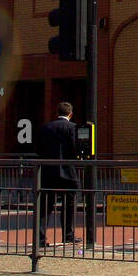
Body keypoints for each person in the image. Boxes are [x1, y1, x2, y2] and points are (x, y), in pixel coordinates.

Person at [35, 102, 80, 247]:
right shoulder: (73, 128)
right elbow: (76, 149)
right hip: (68, 172)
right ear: (70, 114)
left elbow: (38, 150)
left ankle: (40, 238)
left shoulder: (45, 127)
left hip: (48, 172)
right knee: (69, 205)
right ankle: (68, 235)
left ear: (57, 113)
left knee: (45, 207)